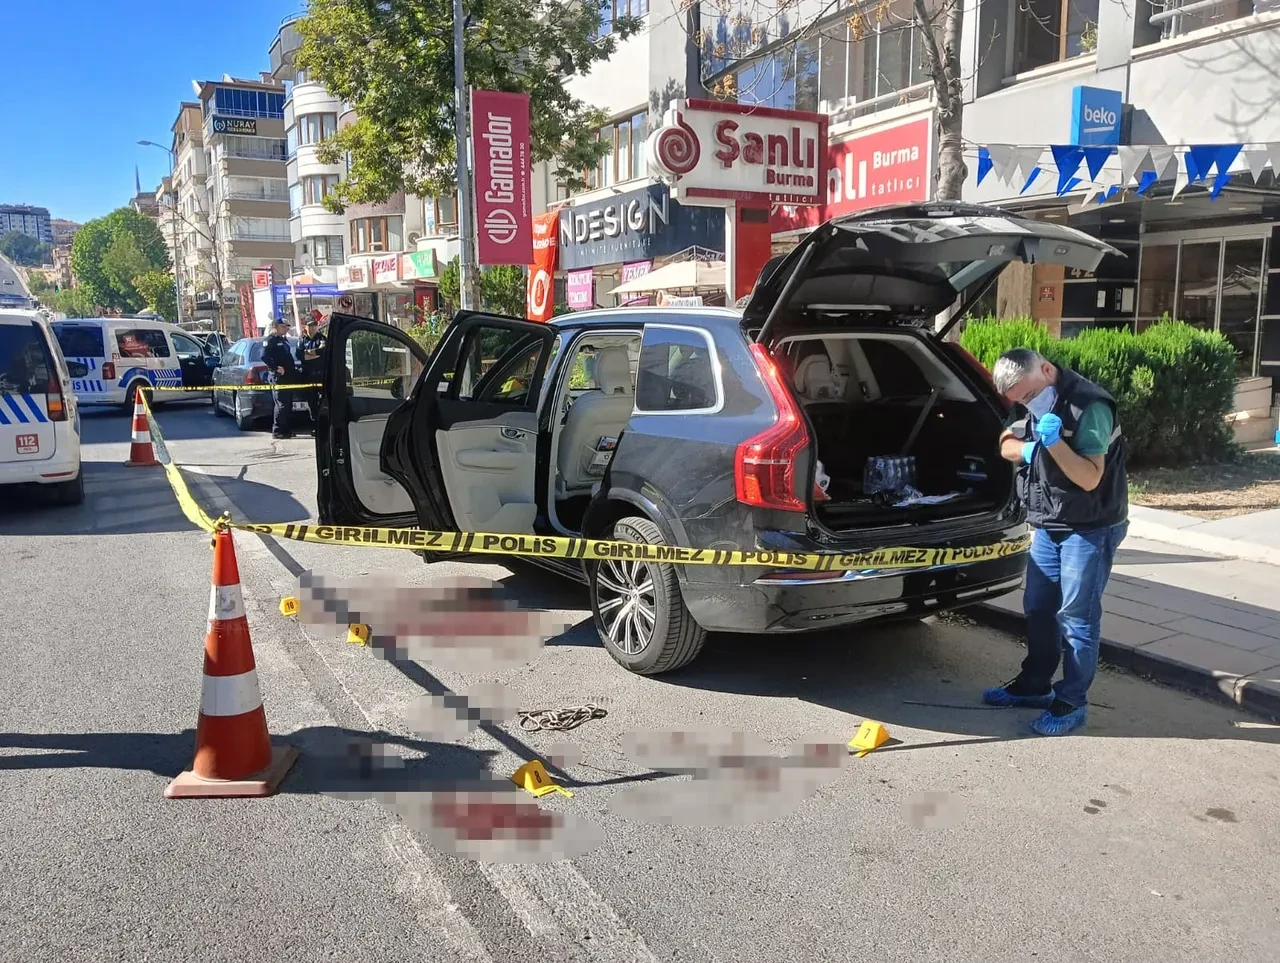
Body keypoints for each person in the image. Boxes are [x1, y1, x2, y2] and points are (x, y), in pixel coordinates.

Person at [982, 347, 1129, 736]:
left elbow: (1089, 478)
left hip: (1090, 526)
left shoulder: (1089, 406)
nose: (1026, 405)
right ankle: (1034, 685)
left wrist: (1054, 445)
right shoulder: (1025, 397)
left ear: (1046, 370)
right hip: (1050, 523)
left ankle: (1071, 701)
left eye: (1029, 396)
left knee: (1077, 617)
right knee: (1039, 607)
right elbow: (1004, 443)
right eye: (1019, 401)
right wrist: (1027, 448)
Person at [261, 318, 299, 440]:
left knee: (287, 405)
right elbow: (264, 356)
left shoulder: (283, 339)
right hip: (279, 377)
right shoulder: (270, 340)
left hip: (288, 376)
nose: (286, 329)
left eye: (287, 326)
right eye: (283, 326)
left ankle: (286, 430)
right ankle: (277, 431)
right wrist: (276, 368)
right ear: (276, 327)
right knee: (281, 405)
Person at [296, 310, 328, 426]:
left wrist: (308, 353)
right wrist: (315, 354)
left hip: (320, 375)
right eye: (310, 325)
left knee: (323, 402)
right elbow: (300, 355)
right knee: (311, 402)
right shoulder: (302, 340)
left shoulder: (322, 338)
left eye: (315, 325)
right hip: (308, 376)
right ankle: (315, 425)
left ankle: (323, 424)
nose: (313, 327)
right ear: (306, 327)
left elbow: (323, 351)